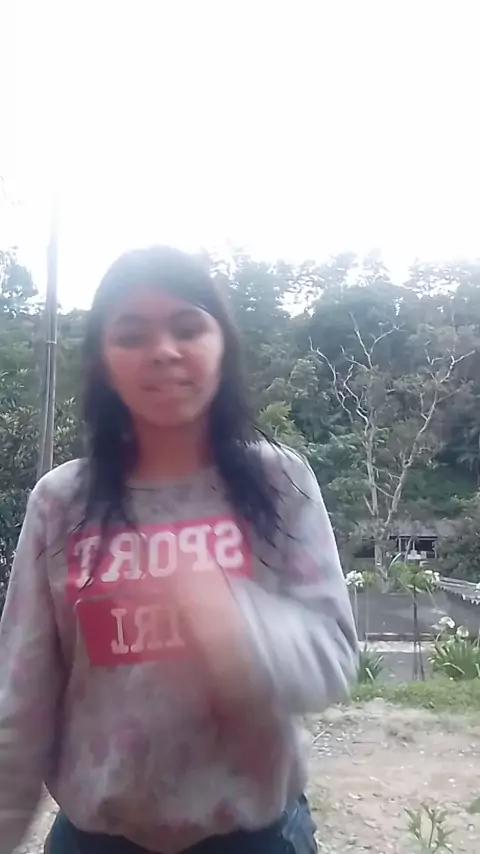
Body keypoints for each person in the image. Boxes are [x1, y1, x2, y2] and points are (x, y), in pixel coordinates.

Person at [0, 246, 358, 854]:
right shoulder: (61, 502)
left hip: (254, 836)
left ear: (223, 344)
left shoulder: (280, 481)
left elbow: (333, 659)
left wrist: (230, 622)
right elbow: (22, 694)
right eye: (132, 335)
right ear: (103, 361)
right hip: (98, 839)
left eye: (188, 328)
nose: (163, 351)